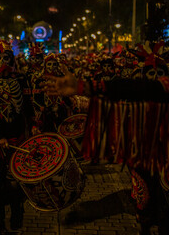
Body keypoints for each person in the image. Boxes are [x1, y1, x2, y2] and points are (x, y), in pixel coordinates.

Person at [43, 52, 169, 235]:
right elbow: (131, 88)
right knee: (148, 203)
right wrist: (84, 87)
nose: (156, 78)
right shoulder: (146, 92)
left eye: (160, 74)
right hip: (147, 155)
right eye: (151, 74)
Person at [0, 40, 33, 232]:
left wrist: (34, 126)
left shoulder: (21, 79)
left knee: (18, 178)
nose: (2, 61)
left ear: (12, 59)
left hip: (18, 135)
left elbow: (27, 106)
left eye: (6, 57)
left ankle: (18, 212)